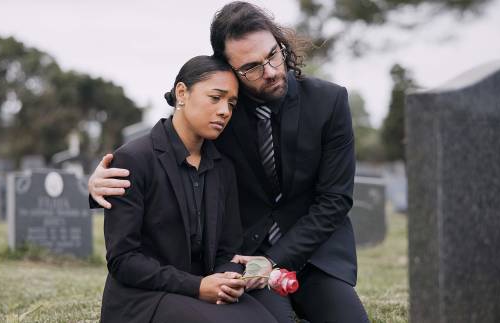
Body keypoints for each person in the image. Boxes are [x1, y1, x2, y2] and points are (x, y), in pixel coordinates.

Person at [92, 2, 370, 322]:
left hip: (315, 255)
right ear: (230, 68)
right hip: (246, 258)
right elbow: (170, 140)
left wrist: (275, 262)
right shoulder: (224, 111)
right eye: (251, 67)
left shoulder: (329, 102)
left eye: (273, 54)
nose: (270, 71)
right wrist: (98, 179)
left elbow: (334, 200)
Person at [100, 55, 277, 323]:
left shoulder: (223, 168)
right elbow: (123, 260)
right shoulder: (133, 159)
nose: (224, 111)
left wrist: (227, 278)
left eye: (231, 103)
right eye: (215, 98)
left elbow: (227, 250)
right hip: (143, 298)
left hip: (201, 292)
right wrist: (197, 286)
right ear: (182, 93)